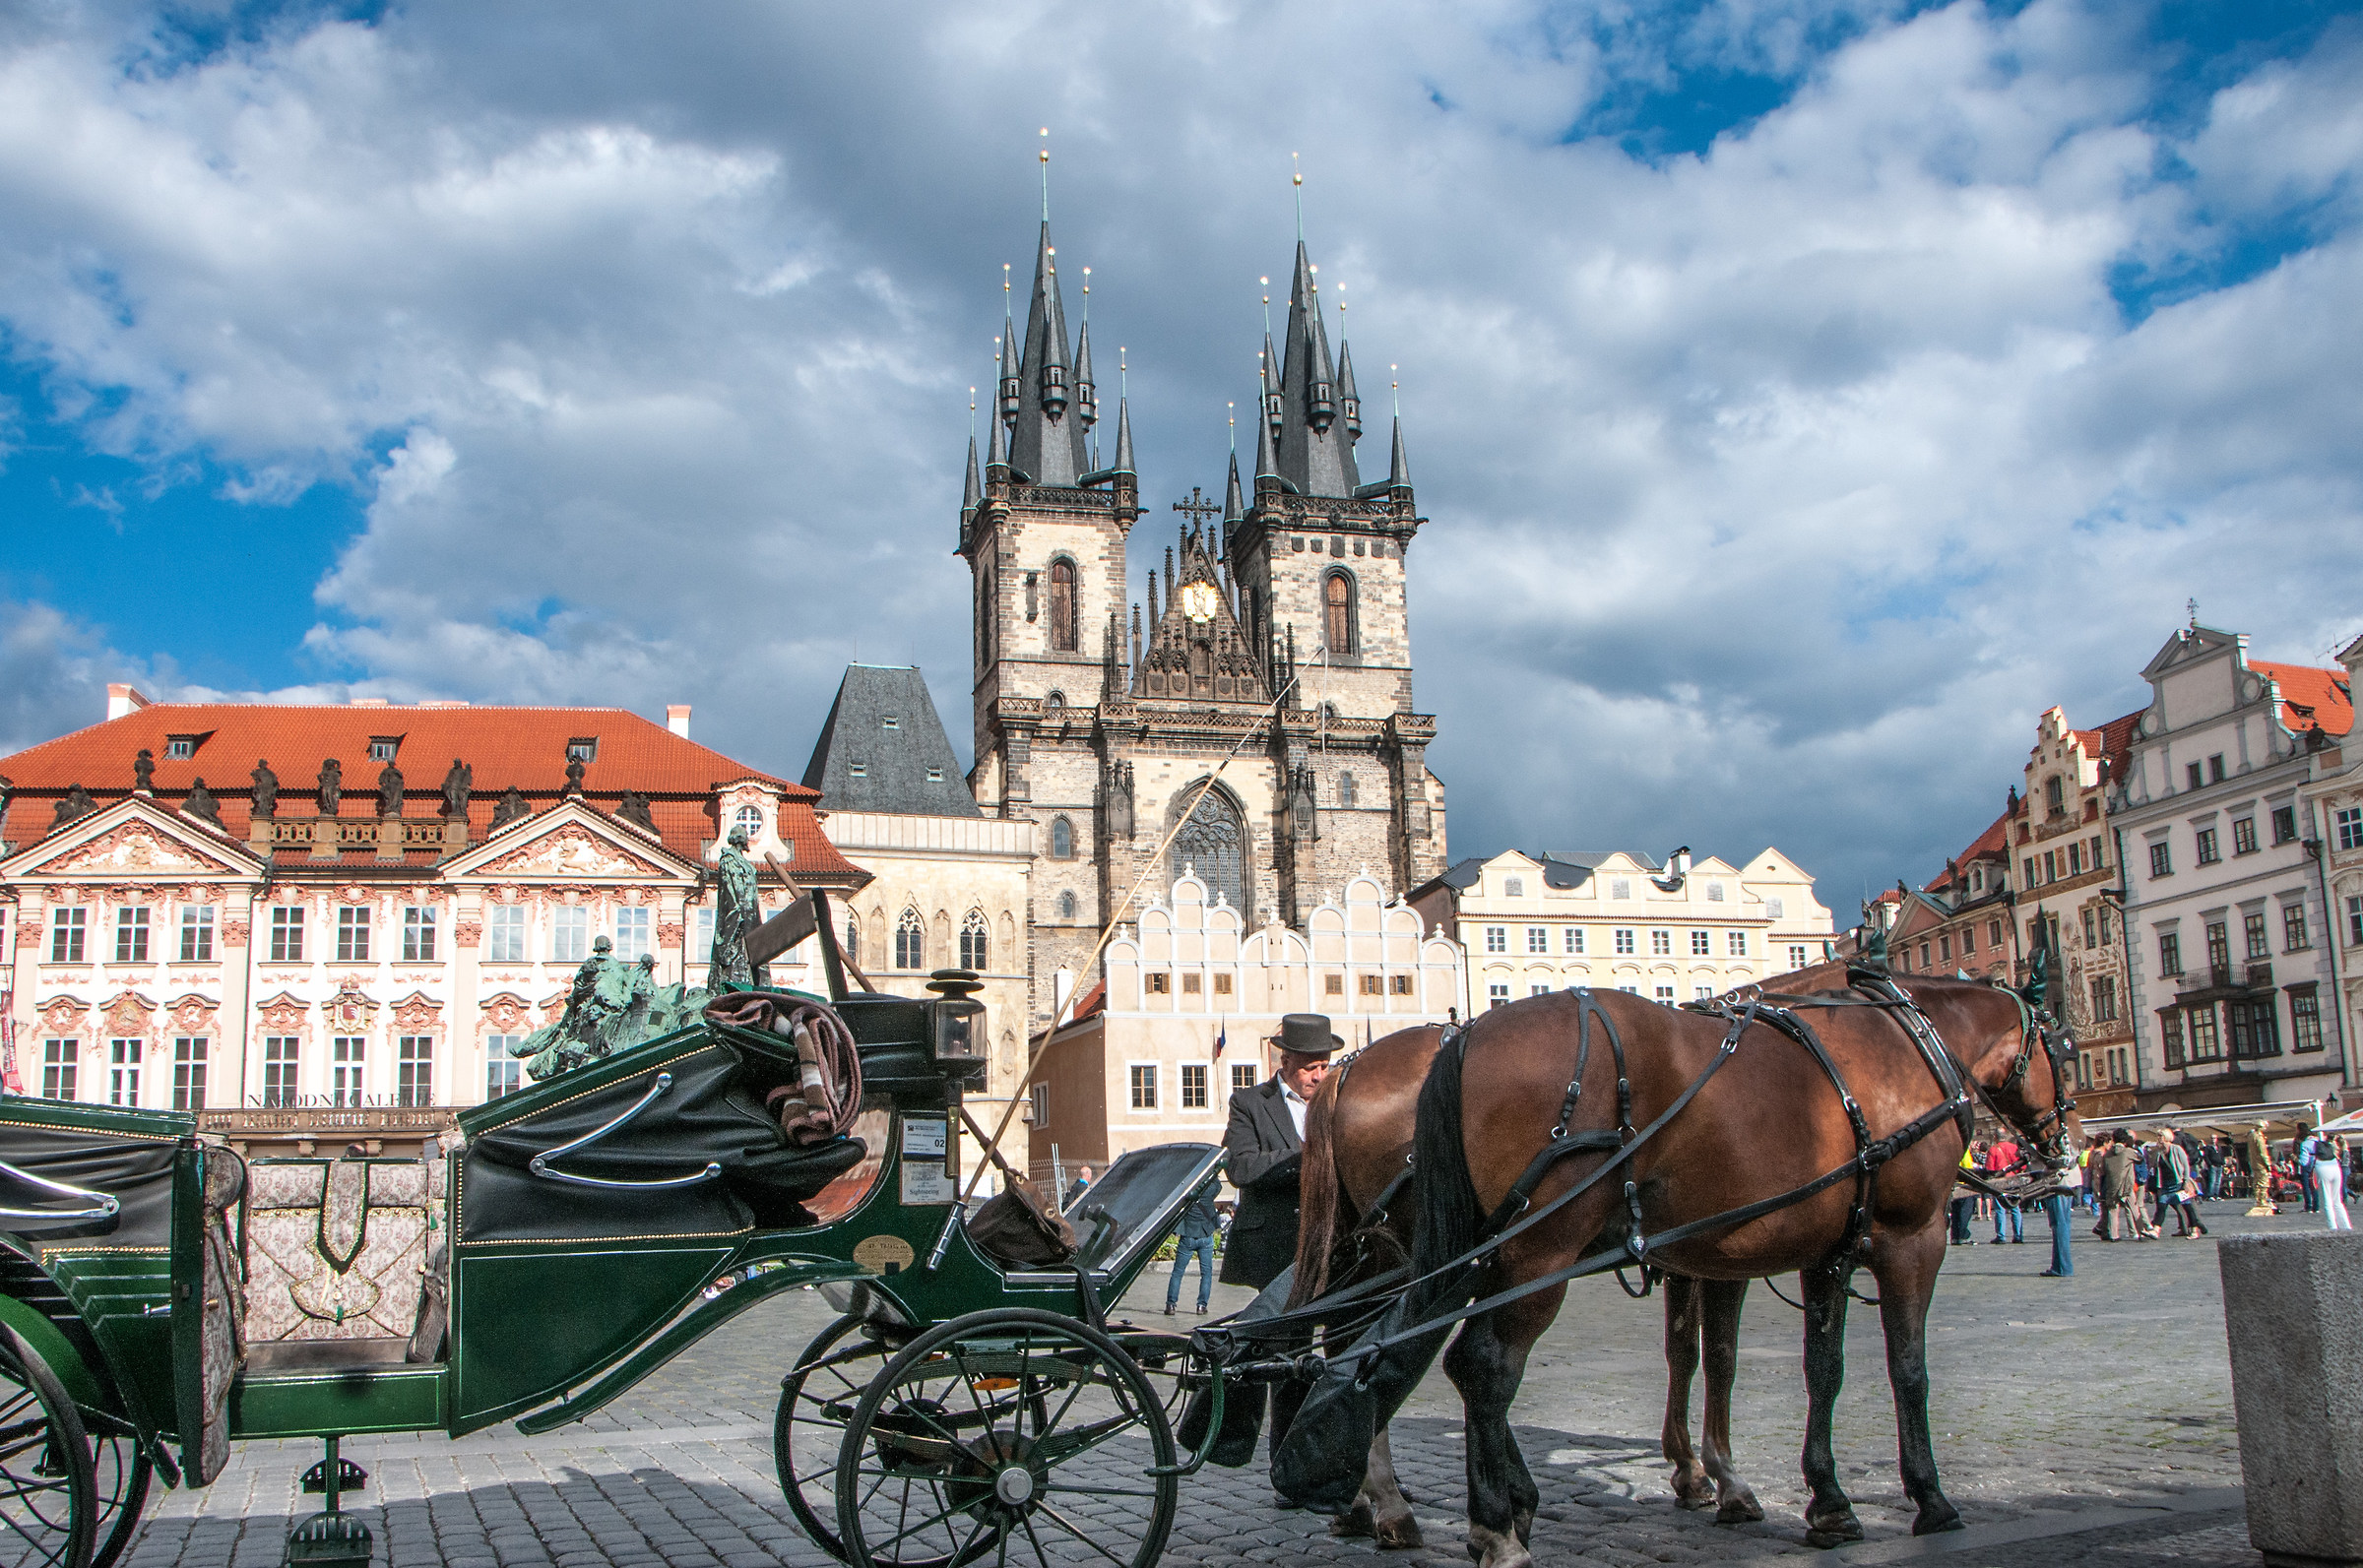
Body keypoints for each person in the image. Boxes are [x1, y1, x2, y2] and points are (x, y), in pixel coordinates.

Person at [1221, 1014, 1338, 1289]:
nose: (1319, 1076)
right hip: (1274, 1246)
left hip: (1331, 1245)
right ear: (1285, 1062)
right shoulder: (1249, 1103)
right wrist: (1307, 1157)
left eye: (1324, 1066)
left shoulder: (1339, 1102)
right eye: (1309, 1068)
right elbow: (1240, 1167)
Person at [1166, 1187, 1220, 1315]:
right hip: (1205, 1235)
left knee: (1178, 1272)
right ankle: (1201, 1306)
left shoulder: (1187, 1191)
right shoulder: (1210, 1191)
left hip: (1188, 1235)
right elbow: (1218, 1186)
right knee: (1206, 1274)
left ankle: (1171, 1305)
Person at [2154, 1129, 2205, 1237]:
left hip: (2179, 1183)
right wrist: (2159, 1185)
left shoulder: (2176, 1149)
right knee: (2161, 1206)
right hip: (2166, 1185)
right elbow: (2158, 1170)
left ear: (2166, 1137)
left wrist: (2186, 1181)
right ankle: (2156, 1230)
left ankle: (2194, 1230)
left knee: (2187, 1207)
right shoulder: (2160, 1153)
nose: (2158, 1138)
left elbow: (2186, 1165)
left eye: (2160, 1136)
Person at [2041, 1145, 2078, 1278]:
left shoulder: (2060, 1140)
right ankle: (2058, 1265)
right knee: (2061, 1225)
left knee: (2059, 1225)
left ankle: (2063, 1267)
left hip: (2059, 1181)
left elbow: (2058, 1161)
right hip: (2067, 1181)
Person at [1987, 1133, 2024, 1243]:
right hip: (2013, 1180)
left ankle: (2001, 1236)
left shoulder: (1993, 1149)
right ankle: (2018, 1235)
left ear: (1995, 1137)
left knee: (1999, 1209)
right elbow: (2022, 1165)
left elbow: (1990, 1169)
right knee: (2015, 1208)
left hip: (2000, 1181)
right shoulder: (2014, 1147)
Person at [2311, 1130, 2351, 1231]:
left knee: (2327, 1201)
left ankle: (2332, 1227)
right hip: (2335, 1168)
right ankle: (2346, 1226)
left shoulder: (2316, 1150)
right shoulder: (2333, 1151)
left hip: (2322, 1168)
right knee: (2337, 1201)